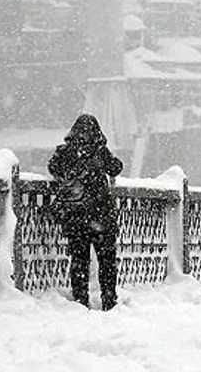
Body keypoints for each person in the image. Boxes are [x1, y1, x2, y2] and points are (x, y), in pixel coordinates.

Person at [47, 113, 124, 310]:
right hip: (101, 216)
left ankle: (81, 301)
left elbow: (53, 167)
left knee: (79, 261)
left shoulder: (66, 152)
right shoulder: (100, 152)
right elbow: (116, 168)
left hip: (76, 216)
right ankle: (109, 299)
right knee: (107, 261)